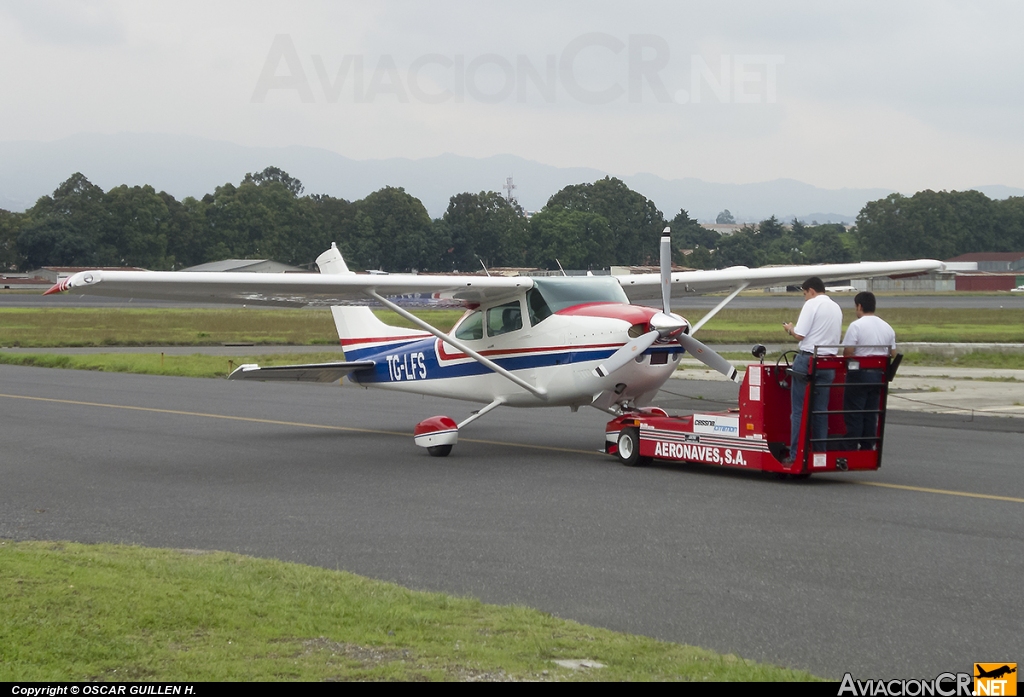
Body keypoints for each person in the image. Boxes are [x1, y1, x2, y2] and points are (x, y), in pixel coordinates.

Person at [782, 277, 842, 463]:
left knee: (798, 410)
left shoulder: (812, 304)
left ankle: (796, 455)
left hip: (808, 359)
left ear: (811, 291)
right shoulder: (836, 307)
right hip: (828, 362)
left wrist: (790, 329)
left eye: (804, 294)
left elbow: (800, 334)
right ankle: (819, 454)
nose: (805, 297)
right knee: (820, 410)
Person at [841, 292, 897, 450]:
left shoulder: (856, 326)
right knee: (871, 413)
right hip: (878, 375)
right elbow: (893, 353)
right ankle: (868, 446)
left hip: (859, 374)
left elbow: (848, 352)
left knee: (854, 412)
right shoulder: (887, 327)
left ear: (859, 306)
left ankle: (851, 446)